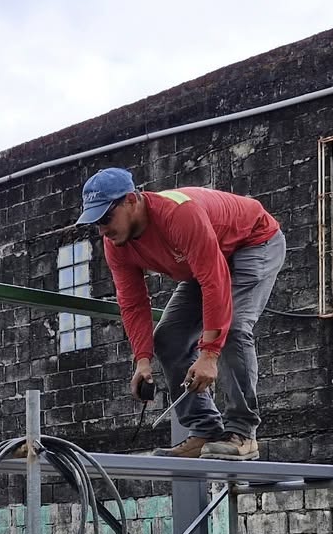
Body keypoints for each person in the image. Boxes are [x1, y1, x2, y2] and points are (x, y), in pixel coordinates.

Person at [76, 167, 286, 460]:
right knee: (169, 338)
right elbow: (133, 303)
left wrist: (209, 354)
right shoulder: (116, 245)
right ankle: (205, 431)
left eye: (105, 219)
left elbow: (215, 281)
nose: (102, 231)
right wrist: (142, 360)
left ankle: (242, 433)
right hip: (204, 263)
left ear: (131, 200)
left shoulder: (178, 214)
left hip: (253, 242)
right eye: (96, 223)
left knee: (234, 328)